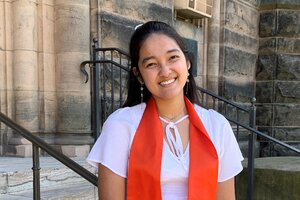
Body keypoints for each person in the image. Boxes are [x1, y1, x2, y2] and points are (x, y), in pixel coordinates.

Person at [87, 21, 243, 200]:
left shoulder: (217, 126)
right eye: (151, 64)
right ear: (139, 75)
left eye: (173, 58)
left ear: (188, 62)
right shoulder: (121, 125)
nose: (165, 71)